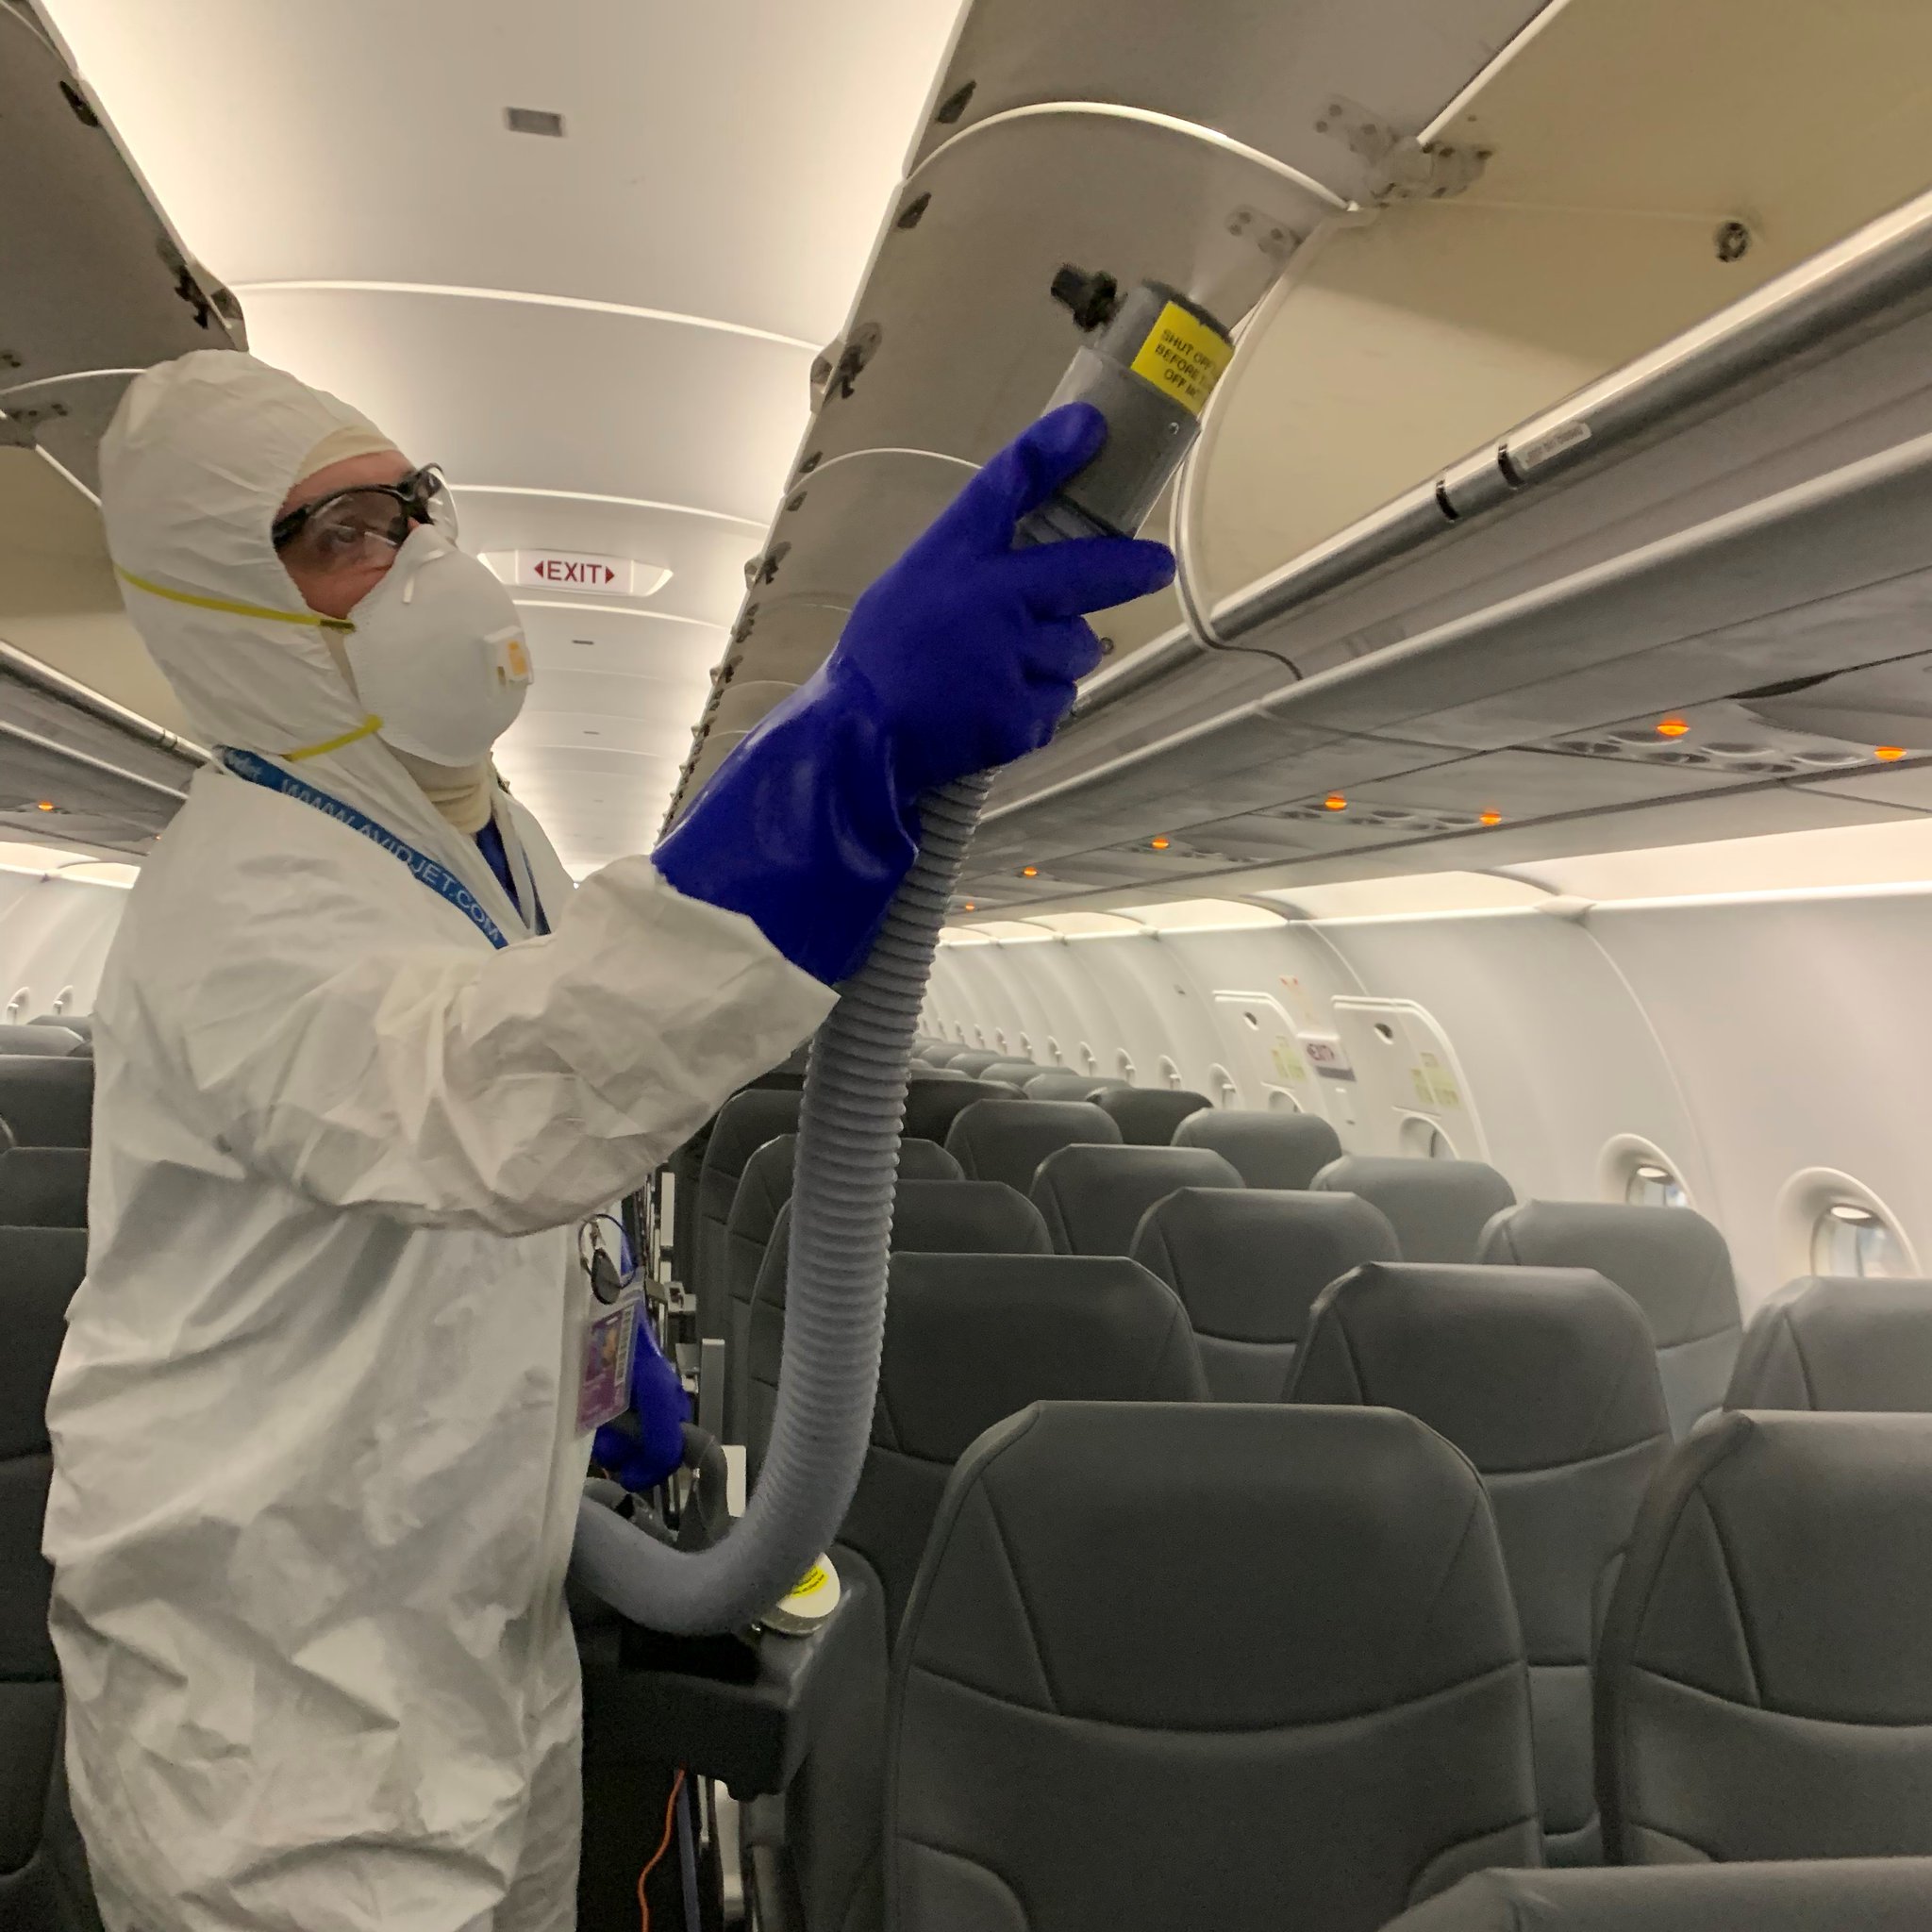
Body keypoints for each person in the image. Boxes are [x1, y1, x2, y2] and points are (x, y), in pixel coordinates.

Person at [41, 349, 1173, 1932]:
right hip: (280, 1716)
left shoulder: (484, 839)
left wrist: (592, 1341)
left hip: (483, 1636)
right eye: (340, 533)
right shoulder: (234, 890)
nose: (414, 555)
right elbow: (504, 1097)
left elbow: (540, 1126)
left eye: (411, 506)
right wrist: (843, 742)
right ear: (220, 604)